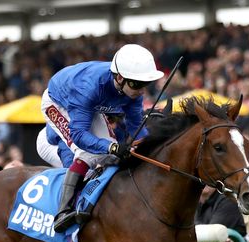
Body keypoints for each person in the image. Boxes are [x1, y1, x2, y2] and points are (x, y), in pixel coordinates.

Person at [40, 43, 165, 232]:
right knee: (88, 152)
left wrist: (148, 148)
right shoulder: (88, 88)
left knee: (112, 151)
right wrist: (112, 148)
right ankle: (63, 211)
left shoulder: (132, 91)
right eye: (137, 84)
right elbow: (79, 135)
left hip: (92, 104)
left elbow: (136, 129)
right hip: (58, 102)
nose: (141, 90)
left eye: (145, 84)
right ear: (120, 78)